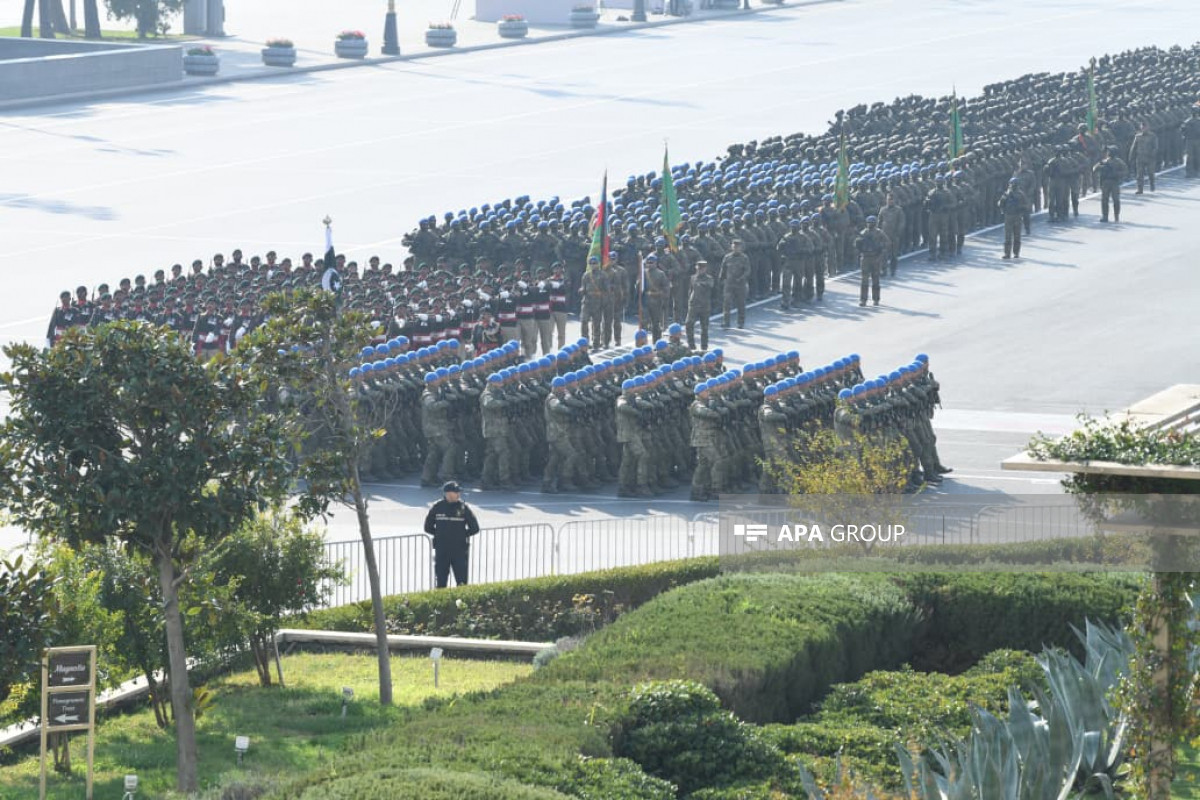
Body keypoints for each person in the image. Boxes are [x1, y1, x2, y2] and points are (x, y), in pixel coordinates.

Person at [423, 481, 480, 588]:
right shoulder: (437, 507)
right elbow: (427, 527)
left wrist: (461, 535)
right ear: (447, 494)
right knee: (441, 582)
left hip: (459, 550)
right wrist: (440, 534)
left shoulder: (463, 507)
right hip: (442, 550)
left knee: (462, 582)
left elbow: (475, 528)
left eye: (459, 492)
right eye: (456, 492)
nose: (459, 494)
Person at [998, 177, 1027, 259]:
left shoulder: (1020, 194)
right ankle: (1010, 253)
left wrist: (1019, 208)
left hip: (1015, 216)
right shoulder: (1007, 194)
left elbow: (1025, 206)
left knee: (1015, 236)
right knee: (1010, 236)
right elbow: (1000, 204)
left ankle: (1014, 253)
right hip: (1010, 216)